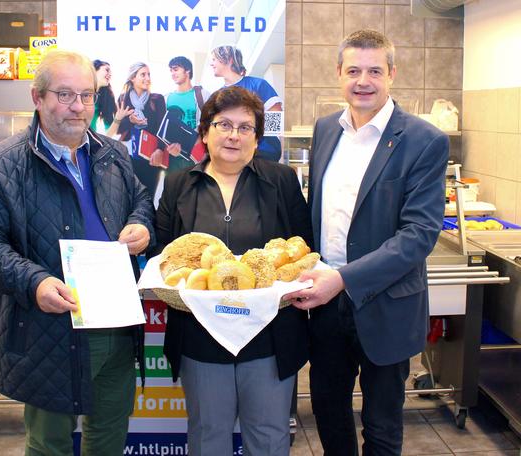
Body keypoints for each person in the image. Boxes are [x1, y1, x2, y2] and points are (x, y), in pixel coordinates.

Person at [0, 50, 155, 456]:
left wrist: (141, 226)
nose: (78, 106)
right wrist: (35, 281)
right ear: (37, 97)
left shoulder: (112, 154)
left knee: (110, 434)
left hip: (116, 325)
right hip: (49, 328)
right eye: (64, 95)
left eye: (86, 94)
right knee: (50, 445)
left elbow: (140, 199)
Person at [283, 30, 449, 455]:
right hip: (325, 306)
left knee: (381, 427)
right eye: (353, 70)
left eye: (375, 70)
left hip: (387, 303)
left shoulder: (423, 140)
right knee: (328, 414)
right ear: (338, 74)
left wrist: (342, 279)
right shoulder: (325, 130)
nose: (363, 81)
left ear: (392, 74)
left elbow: (418, 236)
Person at [153, 85, 311, 455]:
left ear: (257, 138)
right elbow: (164, 256)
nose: (233, 135)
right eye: (224, 124)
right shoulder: (179, 184)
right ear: (205, 131)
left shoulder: (282, 180)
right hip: (201, 337)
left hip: (269, 337)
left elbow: (302, 251)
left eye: (245, 127)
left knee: (270, 436)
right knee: (208, 436)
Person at [210, 45, 283, 162]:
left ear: (229, 60)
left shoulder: (258, 84)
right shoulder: (216, 95)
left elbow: (275, 117)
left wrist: (258, 142)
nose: (211, 63)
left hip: (262, 154)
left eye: (214, 59)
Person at [117, 62, 167, 199]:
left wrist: (160, 150)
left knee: (148, 197)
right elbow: (119, 128)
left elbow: (163, 128)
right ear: (133, 78)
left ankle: (147, 221)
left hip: (151, 157)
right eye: (143, 74)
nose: (147, 78)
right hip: (130, 157)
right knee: (130, 197)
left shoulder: (157, 99)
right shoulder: (123, 99)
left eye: (149, 74)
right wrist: (130, 121)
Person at [164, 56, 210, 171]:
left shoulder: (202, 95)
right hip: (174, 157)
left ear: (187, 70)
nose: (172, 73)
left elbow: (211, 122)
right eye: (171, 71)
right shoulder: (166, 98)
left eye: (176, 69)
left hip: (197, 155)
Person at [90, 59, 134, 137]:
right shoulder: (78, 90)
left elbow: (109, 135)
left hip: (88, 142)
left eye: (111, 73)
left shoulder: (103, 99)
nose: (110, 74)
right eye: (107, 70)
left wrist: (118, 118)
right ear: (94, 70)